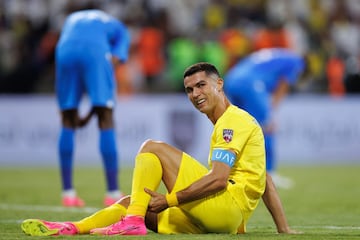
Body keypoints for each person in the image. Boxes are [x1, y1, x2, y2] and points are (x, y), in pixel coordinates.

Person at [21, 62, 298, 236]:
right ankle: (71, 229)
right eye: (189, 90)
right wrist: (283, 229)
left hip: (226, 210)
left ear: (219, 85)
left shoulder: (233, 120)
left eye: (201, 85)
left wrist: (169, 199)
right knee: (134, 204)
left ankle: (132, 224)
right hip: (218, 219)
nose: (196, 94)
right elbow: (266, 179)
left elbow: (218, 179)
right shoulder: (229, 122)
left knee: (151, 147)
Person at [54, 9, 130, 207]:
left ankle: (68, 193)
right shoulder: (119, 28)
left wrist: (84, 116)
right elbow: (115, 59)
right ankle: (113, 192)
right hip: (94, 50)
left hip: (64, 49)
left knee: (67, 119)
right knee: (106, 117)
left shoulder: (72, 18)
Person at [224, 48, 306, 189]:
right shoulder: (296, 62)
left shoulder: (278, 55)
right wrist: (270, 111)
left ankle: (233, 171)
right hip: (250, 83)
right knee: (266, 127)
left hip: (232, 79)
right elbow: (283, 86)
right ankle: (269, 173)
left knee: (240, 127)